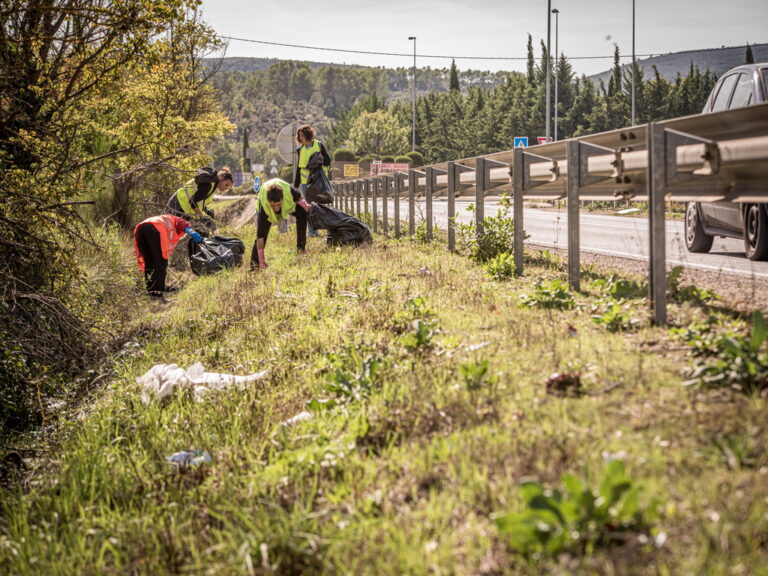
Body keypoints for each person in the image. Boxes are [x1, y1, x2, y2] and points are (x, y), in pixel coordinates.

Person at [134, 214, 202, 299]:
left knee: (149, 261)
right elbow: (183, 224)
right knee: (161, 261)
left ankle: (151, 291)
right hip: (155, 229)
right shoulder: (176, 219)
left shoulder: (166, 219)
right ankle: (158, 294)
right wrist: (192, 232)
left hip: (140, 228)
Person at [251, 178, 311, 270]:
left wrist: (307, 207)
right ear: (269, 202)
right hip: (266, 210)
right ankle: (256, 265)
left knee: (302, 213)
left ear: (282, 199)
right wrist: (261, 260)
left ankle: (301, 248)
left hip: (287, 204)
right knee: (262, 234)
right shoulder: (264, 206)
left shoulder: (289, 192)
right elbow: (260, 237)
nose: (276, 209)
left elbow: (299, 199)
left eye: (278, 205)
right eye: (273, 206)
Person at [293, 125, 330, 238]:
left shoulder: (319, 145)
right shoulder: (300, 150)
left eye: (302, 136)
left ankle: (329, 229)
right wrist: (295, 186)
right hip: (306, 184)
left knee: (322, 206)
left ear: (308, 135)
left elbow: (328, 161)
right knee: (308, 208)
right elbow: (299, 169)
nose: (300, 138)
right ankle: (312, 232)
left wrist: (317, 161)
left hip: (319, 182)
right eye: (299, 136)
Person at [167, 166, 234, 226]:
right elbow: (193, 201)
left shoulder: (213, 186)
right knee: (169, 230)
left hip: (184, 208)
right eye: (226, 185)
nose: (226, 188)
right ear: (221, 179)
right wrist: (201, 217)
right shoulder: (208, 185)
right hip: (177, 203)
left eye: (228, 187)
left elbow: (199, 202)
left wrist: (208, 212)